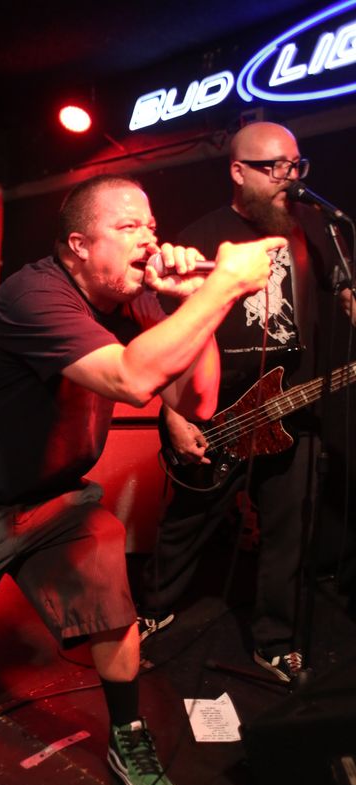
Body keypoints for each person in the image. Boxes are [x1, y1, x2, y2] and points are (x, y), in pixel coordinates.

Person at [0, 174, 283, 785]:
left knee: (109, 599)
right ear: (79, 245)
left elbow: (198, 400)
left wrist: (193, 304)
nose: (148, 240)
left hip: (53, 496)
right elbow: (130, 379)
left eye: (150, 226)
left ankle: (127, 733)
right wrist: (224, 287)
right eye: (127, 227)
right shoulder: (34, 295)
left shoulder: (138, 298)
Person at [139, 122, 354, 683]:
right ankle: (152, 607)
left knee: (289, 532)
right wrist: (173, 412)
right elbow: (168, 336)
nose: (289, 177)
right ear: (238, 171)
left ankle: (273, 641)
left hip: (293, 408)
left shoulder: (314, 228)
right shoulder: (200, 237)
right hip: (217, 409)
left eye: (295, 165)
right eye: (274, 166)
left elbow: (346, 295)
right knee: (187, 522)